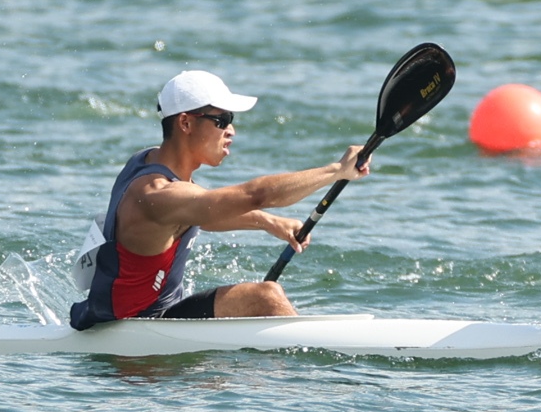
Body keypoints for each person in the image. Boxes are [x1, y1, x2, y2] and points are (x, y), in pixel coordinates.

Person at [70, 70, 368, 326]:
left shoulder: (149, 160)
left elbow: (200, 212)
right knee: (265, 296)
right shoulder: (156, 194)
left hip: (155, 311)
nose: (231, 130)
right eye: (222, 120)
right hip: (137, 325)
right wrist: (336, 170)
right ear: (185, 123)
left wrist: (267, 222)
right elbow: (256, 195)